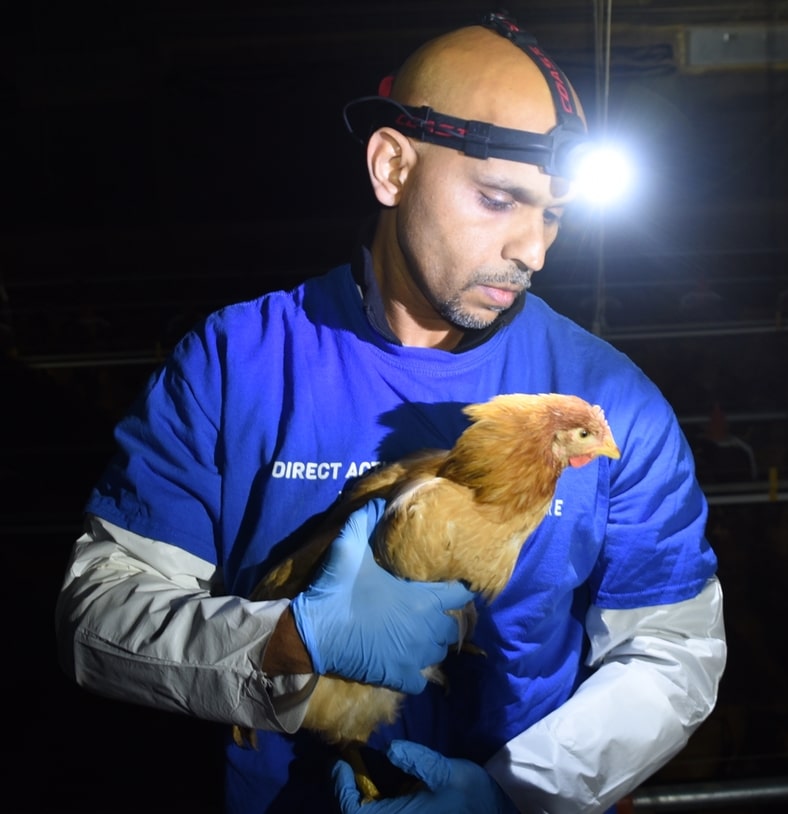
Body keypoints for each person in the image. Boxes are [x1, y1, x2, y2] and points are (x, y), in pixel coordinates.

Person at [55, 12, 727, 814]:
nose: (533, 250)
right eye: (498, 199)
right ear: (392, 167)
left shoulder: (612, 400)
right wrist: (286, 642)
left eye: (552, 213)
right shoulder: (237, 365)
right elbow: (96, 616)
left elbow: (673, 650)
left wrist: (516, 795)